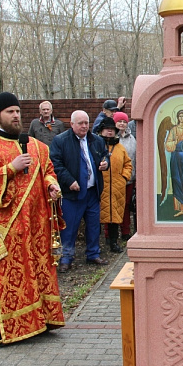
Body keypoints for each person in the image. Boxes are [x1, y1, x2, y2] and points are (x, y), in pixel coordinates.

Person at [0, 92, 65, 344]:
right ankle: (12, 328)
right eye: (10, 112)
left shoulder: (36, 146)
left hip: (37, 226)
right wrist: (11, 168)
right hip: (8, 229)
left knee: (38, 272)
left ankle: (41, 321)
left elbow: (48, 171)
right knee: (12, 278)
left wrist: (52, 185)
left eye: (18, 111)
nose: (15, 116)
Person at [50, 110, 110, 272]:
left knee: (93, 226)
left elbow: (104, 156)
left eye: (86, 123)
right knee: (69, 227)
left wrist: (105, 163)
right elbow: (56, 164)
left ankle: (93, 254)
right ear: (72, 124)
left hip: (92, 192)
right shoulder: (61, 141)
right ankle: (66, 258)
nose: (84, 126)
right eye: (80, 123)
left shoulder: (96, 140)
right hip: (72, 194)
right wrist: (69, 181)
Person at [97, 118, 132, 254]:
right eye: (107, 129)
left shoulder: (120, 148)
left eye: (112, 129)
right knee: (98, 216)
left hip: (117, 186)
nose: (110, 131)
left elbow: (128, 164)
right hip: (101, 186)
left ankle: (113, 242)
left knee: (115, 216)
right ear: (101, 131)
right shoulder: (95, 146)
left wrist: (124, 177)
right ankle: (95, 246)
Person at [114, 111, 137, 241]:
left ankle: (125, 231)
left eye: (124, 121)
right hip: (114, 179)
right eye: (119, 121)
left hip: (129, 178)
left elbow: (135, 156)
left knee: (127, 205)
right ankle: (110, 234)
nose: (122, 124)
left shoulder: (131, 138)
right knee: (114, 205)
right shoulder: (111, 137)